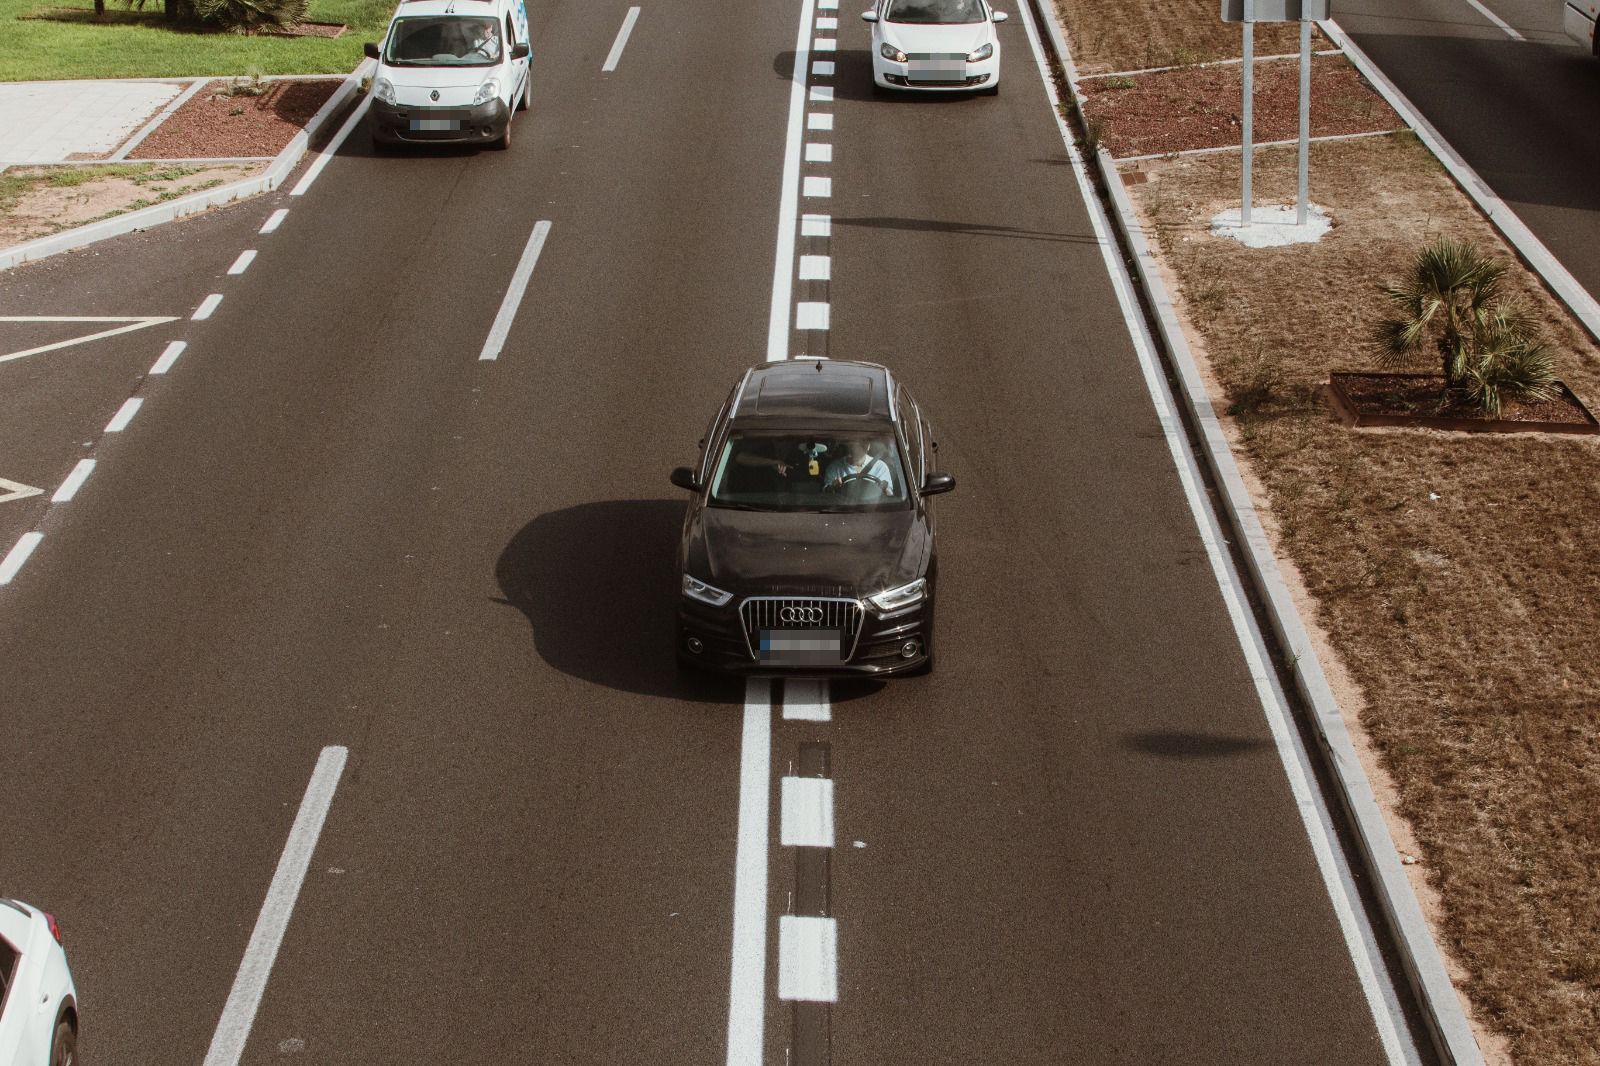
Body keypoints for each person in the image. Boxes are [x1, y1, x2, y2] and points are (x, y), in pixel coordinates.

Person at [824, 438, 894, 495]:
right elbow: (825, 496)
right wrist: (833, 487)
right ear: (848, 446)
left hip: (872, 508)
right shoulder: (835, 467)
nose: (857, 445)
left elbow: (889, 496)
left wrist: (884, 490)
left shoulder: (880, 467)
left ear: (868, 446)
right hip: (844, 508)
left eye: (863, 442)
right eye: (853, 442)